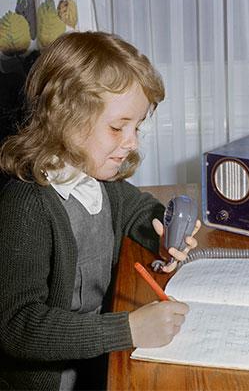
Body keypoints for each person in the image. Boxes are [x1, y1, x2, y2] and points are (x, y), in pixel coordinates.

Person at [0, 31, 200, 391]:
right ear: (66, 117)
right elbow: (17, 326)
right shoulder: (26, 206)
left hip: (98, 359)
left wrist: (163, 234)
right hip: (48, 380)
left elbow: (138, 209)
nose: (132, 142)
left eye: (136, 127)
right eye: (117, 127)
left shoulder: (100, 185)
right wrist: (129, 328)